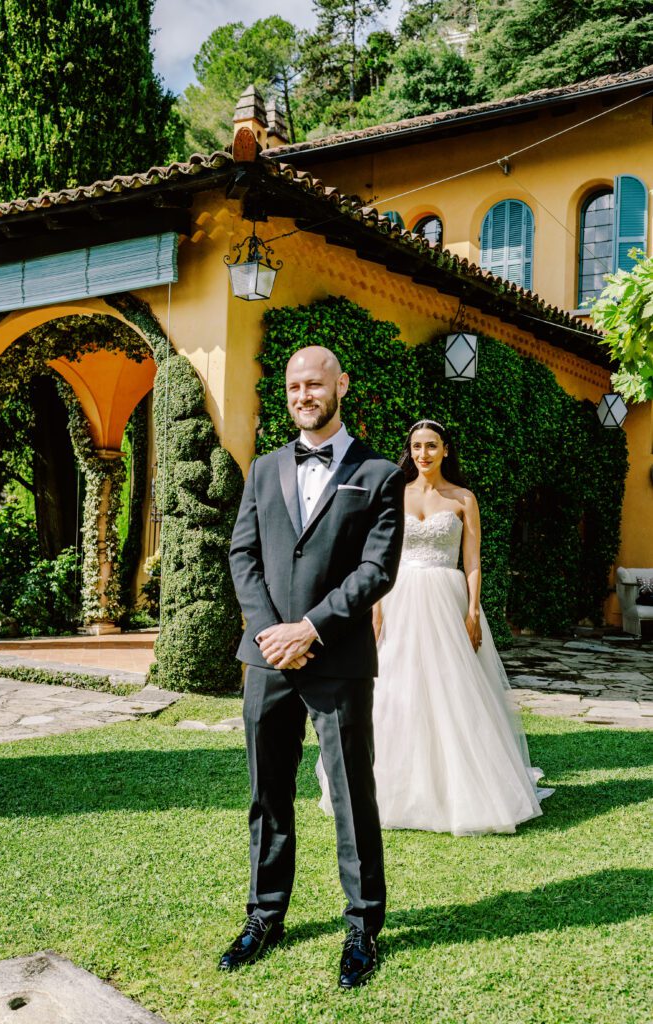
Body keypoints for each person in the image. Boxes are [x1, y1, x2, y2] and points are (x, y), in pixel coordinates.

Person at [223, 345, 405, 988]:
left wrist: (311, 628)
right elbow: (242, 555)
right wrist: (274, 632)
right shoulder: (265, 467)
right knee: (267, 792)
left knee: (354, 794)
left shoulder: (382, 473)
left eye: (316, 384)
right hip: (267, 657)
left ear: (341, 385)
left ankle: (362, 926)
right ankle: (264, 916)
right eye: (295, 386)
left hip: (338, 658)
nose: (304, 395)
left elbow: (376, 570)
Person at [318, 418, 553, 835]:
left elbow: (473, 560)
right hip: (399, 597)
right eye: (417, 446)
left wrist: (474, 611)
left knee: (454, 689)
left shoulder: (463, 498)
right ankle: (387, 788)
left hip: (447, 599)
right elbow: (377, 557)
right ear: (410, 451)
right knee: (394, 687)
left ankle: (463, 789)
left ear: (446, 449)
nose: (423, 454)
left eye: (431, 446)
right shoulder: (394, 492)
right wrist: (375, 608)